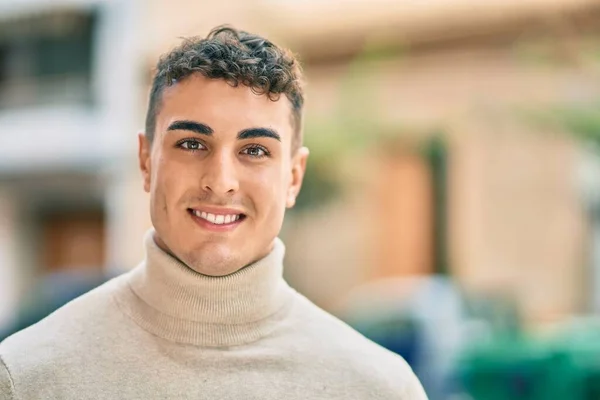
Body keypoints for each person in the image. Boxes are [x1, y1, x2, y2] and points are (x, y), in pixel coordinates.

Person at [0, 26, 427, 399]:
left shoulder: (378, 387)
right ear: (146, 161)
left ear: (293, 177)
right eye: (191, 143)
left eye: (255, 150)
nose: (220, 181)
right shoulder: (26, 377)